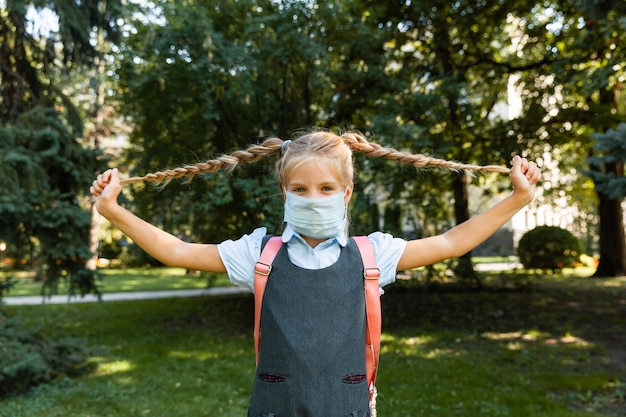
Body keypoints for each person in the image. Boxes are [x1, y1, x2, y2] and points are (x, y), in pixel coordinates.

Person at [90, 129, 541, 417]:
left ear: (346, 193)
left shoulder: (372, 256)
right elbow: (177, 250)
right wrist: (111, 210)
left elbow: (448, 243)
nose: (313, 197)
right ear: (284, 191)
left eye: (326, 188)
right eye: (300, 189)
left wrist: (518, 200)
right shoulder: (259, 255)